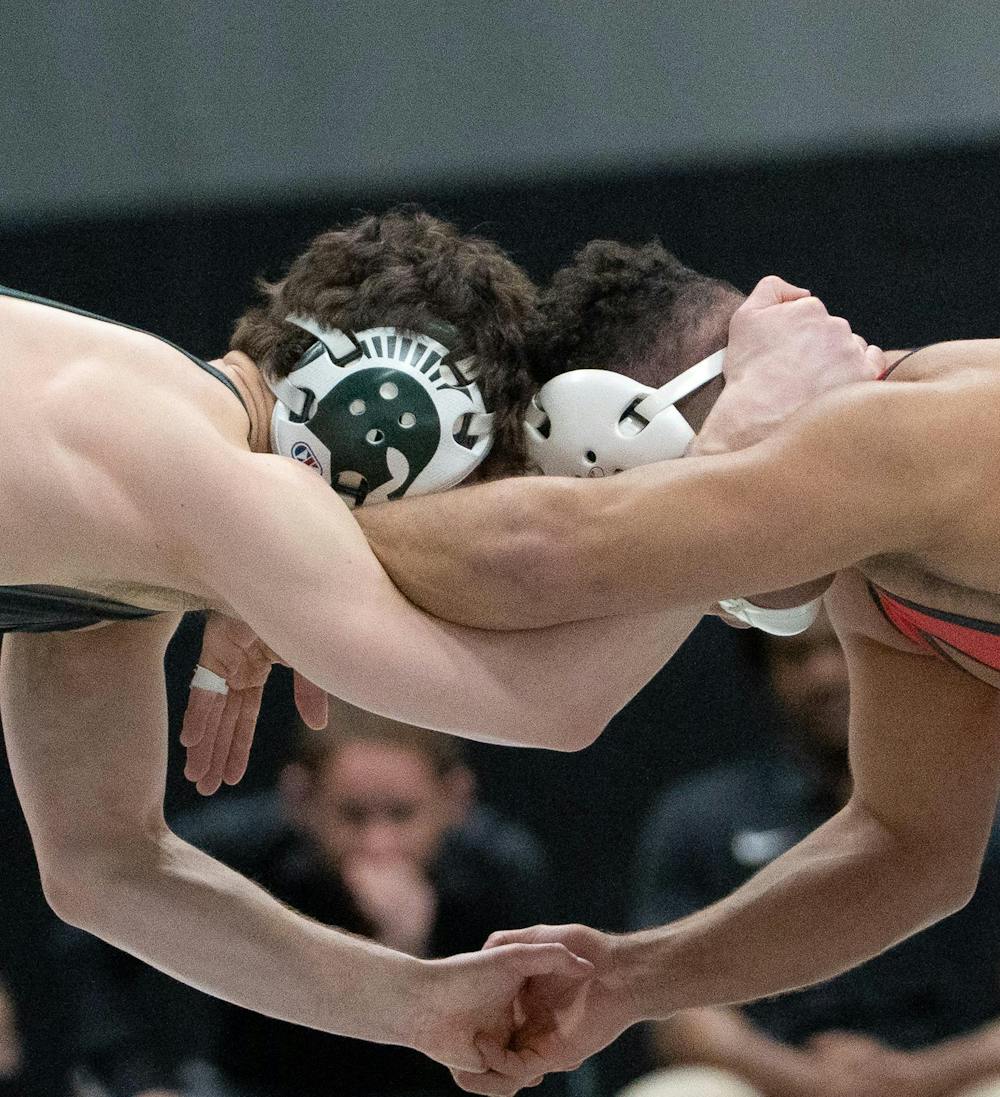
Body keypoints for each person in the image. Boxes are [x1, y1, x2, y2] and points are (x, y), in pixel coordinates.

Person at [339, 239, 1000, 1094]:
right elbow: (907, 848)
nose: (711, 593)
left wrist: (255, 529)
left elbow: (546, 551)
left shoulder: (899, 432)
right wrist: (628, 978)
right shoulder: (879, 581)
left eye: (657, 487)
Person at [67, 701, 562, 1097]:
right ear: (301, 799)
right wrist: (136, 1082)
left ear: (454, 800)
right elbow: (95, 933)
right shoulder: (238, 851)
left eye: (401, 815)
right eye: (352, 816)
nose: (379, 844)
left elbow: (542, 1046)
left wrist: (420, 952)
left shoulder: (501, 870)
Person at [628, 612, 1000, 1097]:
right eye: (797, 655)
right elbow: (673, 1006)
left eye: (841, 647)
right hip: (776, 1079)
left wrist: (915, 1077)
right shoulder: (703, 817)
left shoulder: (980, 804)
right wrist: (808, 1080)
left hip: (951, 1076)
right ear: (766, 673)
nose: (823, 674)